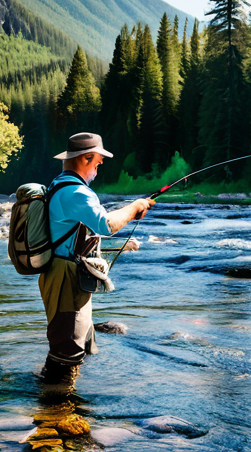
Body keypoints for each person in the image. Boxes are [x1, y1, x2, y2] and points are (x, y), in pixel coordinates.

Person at [38, 132, 153, 375]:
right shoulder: (75, 191)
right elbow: (106, 225)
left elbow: (80, 233)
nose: (98, 170)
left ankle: (64, 408)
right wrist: (135, 207)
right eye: (98, 164)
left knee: (73, 345)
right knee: (66, 354)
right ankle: (56, 408)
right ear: (86, 158)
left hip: (63, 273)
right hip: (65, 278)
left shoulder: (60, 184)